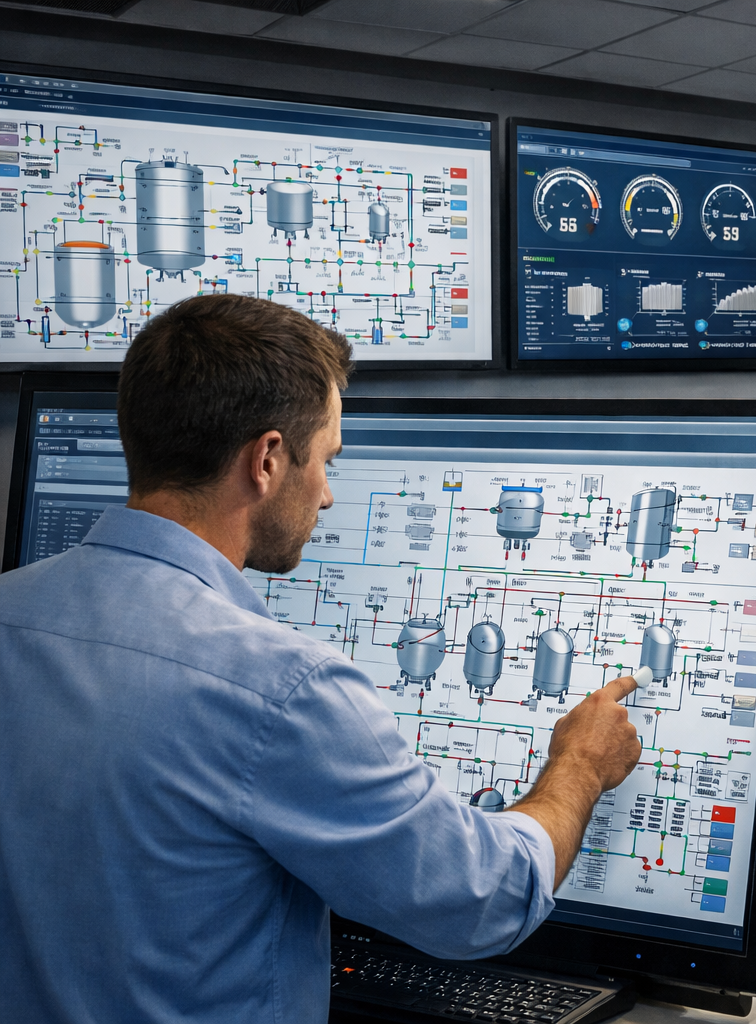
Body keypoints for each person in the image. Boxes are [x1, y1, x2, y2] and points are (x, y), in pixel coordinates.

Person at [0, 295, 643, 1024]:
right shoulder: (277, 689)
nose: (328, 495)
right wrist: (579, 769)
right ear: (268, 459)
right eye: (326, 459)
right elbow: (482, 901)